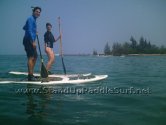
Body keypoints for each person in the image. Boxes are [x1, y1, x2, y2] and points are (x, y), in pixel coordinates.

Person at [23, 7, 41, 81]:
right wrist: (32, 41)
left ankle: (31, 74)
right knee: (31, 57)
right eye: (37, 11)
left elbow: (24, 28)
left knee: (35, 56)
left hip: (31, 40)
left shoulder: (33, 20)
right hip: (28, 40)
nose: (38, 13)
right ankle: (30, 76)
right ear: (33, 12)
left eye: (39, 12)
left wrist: (34, 31)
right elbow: (29, 30)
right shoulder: (31, 19)